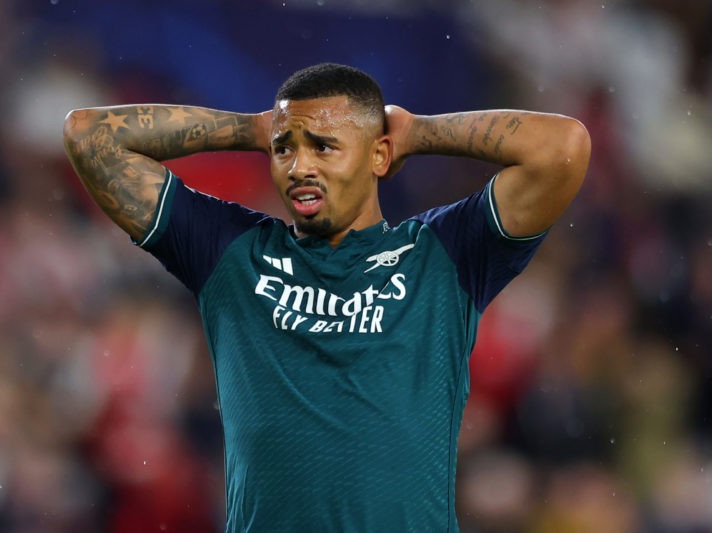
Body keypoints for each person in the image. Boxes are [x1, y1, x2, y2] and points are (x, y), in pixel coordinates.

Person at [63, 63, 590, 532]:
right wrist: (251, 127)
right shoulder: (229, 253)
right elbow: (88, 136)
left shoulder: (442, 254)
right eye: (285, 147)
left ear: (380, 155)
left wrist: (420, 132)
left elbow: (563, 148)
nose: (299, 167)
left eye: (324, 146)